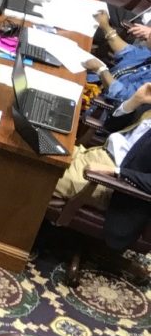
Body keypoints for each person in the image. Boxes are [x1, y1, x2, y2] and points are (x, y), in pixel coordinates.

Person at [53, 78, 151, 253]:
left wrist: (116, 172)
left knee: (38, 173)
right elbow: (110, 125)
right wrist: (135, 101)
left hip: (115, 186)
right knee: (38, 148)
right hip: (98, 154)